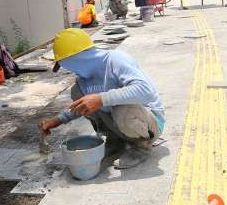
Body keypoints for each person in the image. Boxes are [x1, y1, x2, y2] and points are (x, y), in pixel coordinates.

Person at [39, 28, 164, 170]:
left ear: (79, 58)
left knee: (120, 106)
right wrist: (57, 121)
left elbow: (146, 92)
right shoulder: (83, 80)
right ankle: (115, 140)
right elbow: (83, 106)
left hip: (149, 123)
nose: (69, 69)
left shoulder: (115, 60)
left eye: (66, 64)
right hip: (122, 122)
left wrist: (101, 99)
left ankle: (141, 147)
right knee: (78, 93)